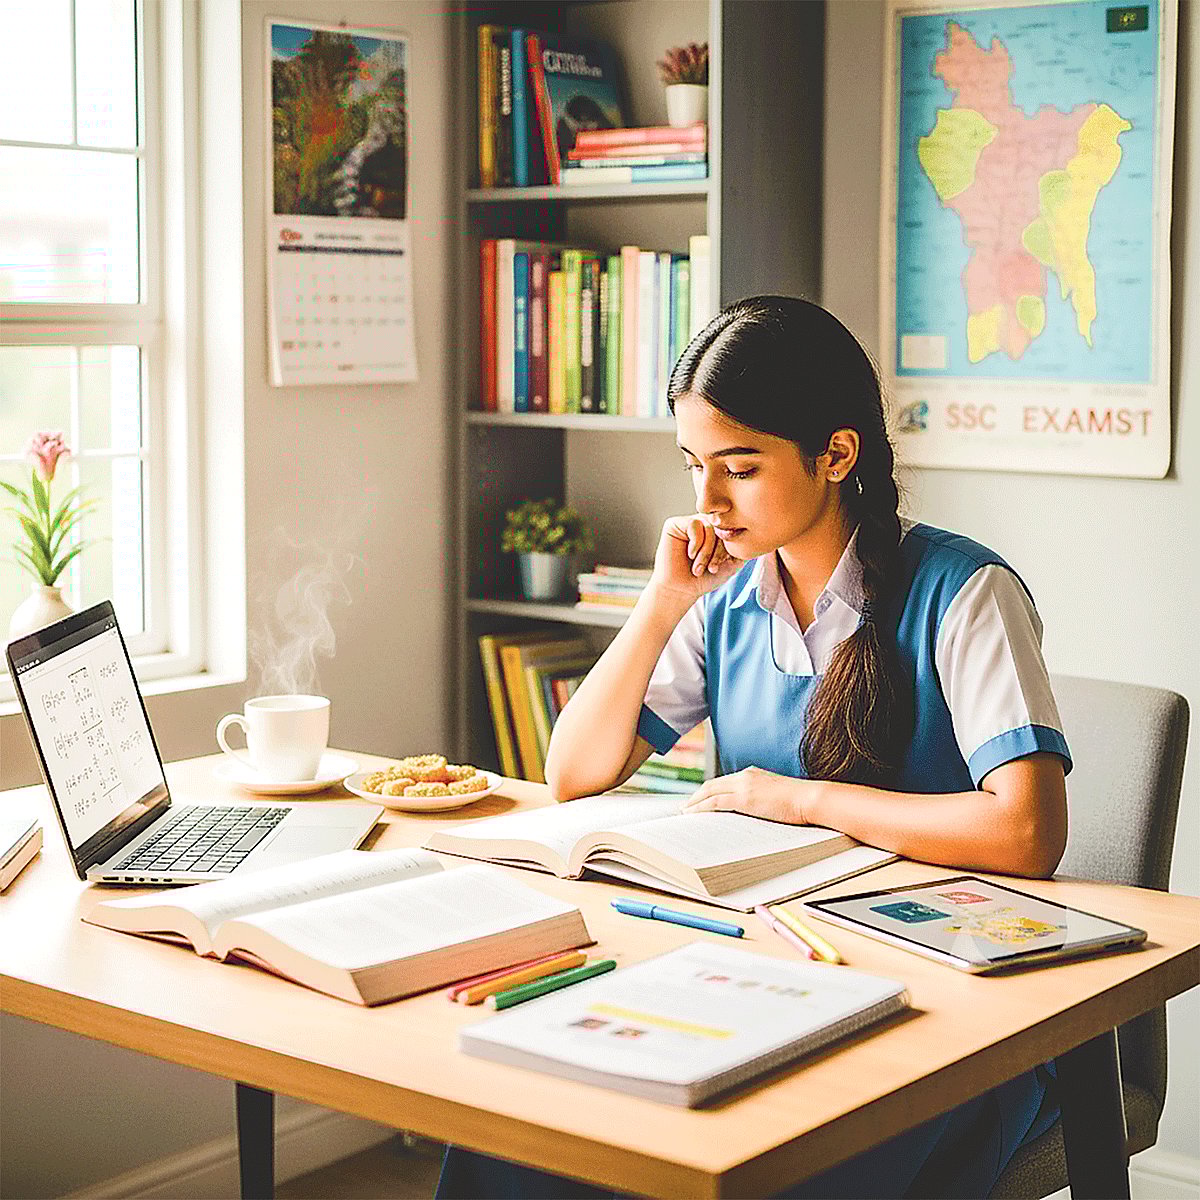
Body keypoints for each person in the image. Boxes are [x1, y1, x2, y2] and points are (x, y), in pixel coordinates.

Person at [437, 296, 1070, 1199]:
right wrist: (660, 604)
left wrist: (798, 797)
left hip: (944, 1012)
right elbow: (573, 773)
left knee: (768, 1163)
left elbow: (1025, 834)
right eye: (694, 465)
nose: (706, 502)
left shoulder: (964, 591)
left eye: (739, 467)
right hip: (763, 979)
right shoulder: (726, 599)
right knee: (514, 1136)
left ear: (836, 455)